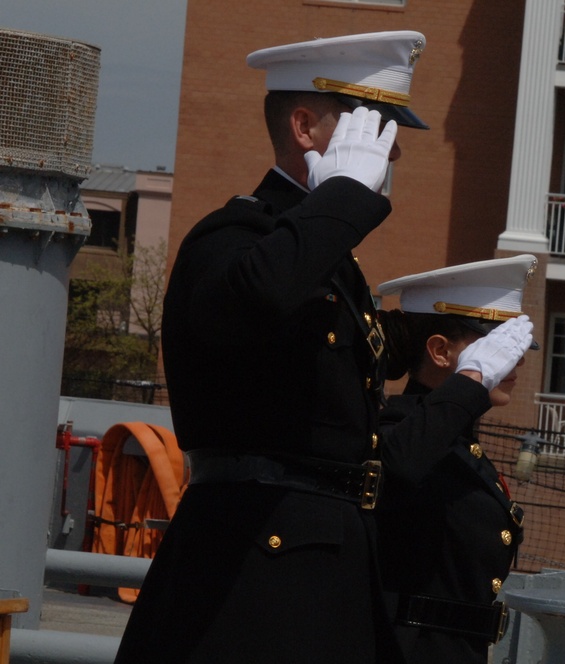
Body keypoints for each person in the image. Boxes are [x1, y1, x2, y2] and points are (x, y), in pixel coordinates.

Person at [115, 31, 429, 664]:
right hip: (255, 563)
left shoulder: (323, 257)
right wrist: (344, 199)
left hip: (325, 558)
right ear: (305, 126)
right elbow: (257, 297)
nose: (391, 146)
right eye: (372, 123)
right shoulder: (233, 235)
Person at [374, 255, 538, 664]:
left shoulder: (461, 446)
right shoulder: (399, 432)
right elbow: (401, 465)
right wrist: (474, 380)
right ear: (440, 351)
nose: (515, 361)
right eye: (496, 346)